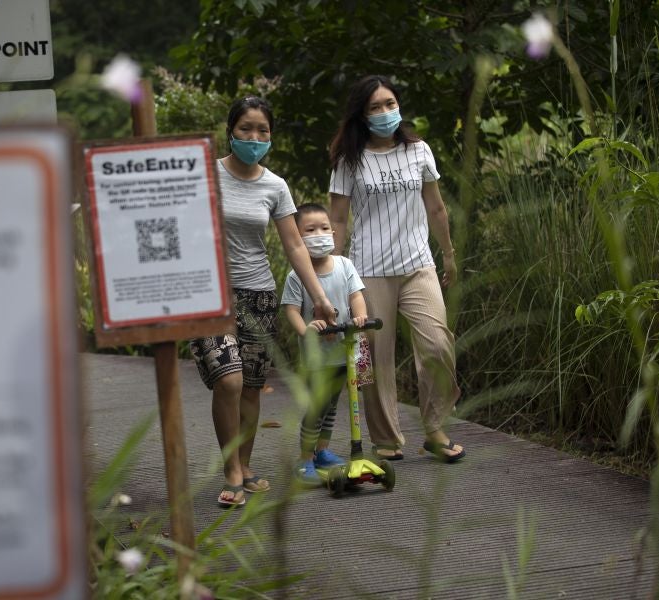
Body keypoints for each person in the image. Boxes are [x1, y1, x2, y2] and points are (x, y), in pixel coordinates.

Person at [190, 97, 337, 507]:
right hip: (211, 294)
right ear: (230, 131)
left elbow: (294, 245)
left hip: (258, 294)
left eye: (263, 131)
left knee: (252, 387)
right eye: (245, 129)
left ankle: (246, 463)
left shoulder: (275, 186)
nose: (254, 138)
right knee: (230, 379)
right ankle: (231, 468)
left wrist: (320, 297)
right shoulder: (204, 173)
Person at [328, 75, 466, 463]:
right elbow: (337, 220)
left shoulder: (419, 151)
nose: (385, 112)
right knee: (374, 357)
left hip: (417, 264)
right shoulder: (348, 160)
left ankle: (435, 428)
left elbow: (436, 208)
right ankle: (386, 439)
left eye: (390, 104)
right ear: (362, 114)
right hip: (368, 270)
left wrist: (449, 254)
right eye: (375, 107)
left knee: (438, 344)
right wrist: (335, 273)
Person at [280, 203, 368, 485]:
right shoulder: (297, 275)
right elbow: (291, 310)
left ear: (332, 231)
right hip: (317, 358)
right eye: (310, 230)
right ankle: (305, 457)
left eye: (323, 228)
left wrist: (360, 315)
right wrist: (305, 330)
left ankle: (322, 450)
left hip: (344, 352)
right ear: (299, 237)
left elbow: (355, 295)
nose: (319, 234)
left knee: (332, 406)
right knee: (317, 406)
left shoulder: (344, 265)